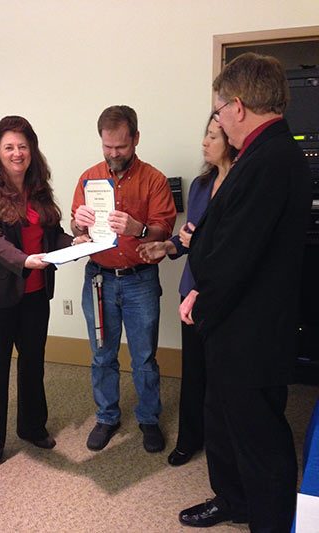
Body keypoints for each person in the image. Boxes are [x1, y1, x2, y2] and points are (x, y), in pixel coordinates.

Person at [177, 53, 311, 532]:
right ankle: (232, 500)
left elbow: (236, 255)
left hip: (251, 332)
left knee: (261, 442)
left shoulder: (269, 159)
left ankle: (268, 522)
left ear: (236, 106)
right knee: (224, 421)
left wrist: (202, 296)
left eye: (217, 110)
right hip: (235, 328)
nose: (216, 120)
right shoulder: (263, 153)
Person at [0, 115, 85, 479]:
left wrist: (74, 242)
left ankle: (31, 427)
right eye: (9, 147)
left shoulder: (39, 189)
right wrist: (25, 260)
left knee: (33, 364)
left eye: (22, 146)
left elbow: (52, 236)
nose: (17, 153)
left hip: (35, 293)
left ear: (31, 149)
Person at [71, 105, 176, 453]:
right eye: (107, 147)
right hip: (99, 279)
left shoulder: (154, 180)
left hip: (139, 279)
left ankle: (148, 418)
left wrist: (139, 229)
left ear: (135, 139)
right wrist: (79, 224)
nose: (114, 154)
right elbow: (76, 226)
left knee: (144, 356)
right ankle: (107, 417)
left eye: (121, 147)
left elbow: (163, 230)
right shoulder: (89, 178)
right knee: (102, 354)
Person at [137, 114, 236, 466]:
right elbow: (188, 237)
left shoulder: (243, 185)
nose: (204, 142)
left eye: (212, 136)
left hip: (224, 293)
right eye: (205, 135)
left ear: (234, 138)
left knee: (224, 375)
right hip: (191, 289)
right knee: (193, 370)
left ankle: (225, 442)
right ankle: (190, 439)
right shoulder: (199, 185)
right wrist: (167, 248)